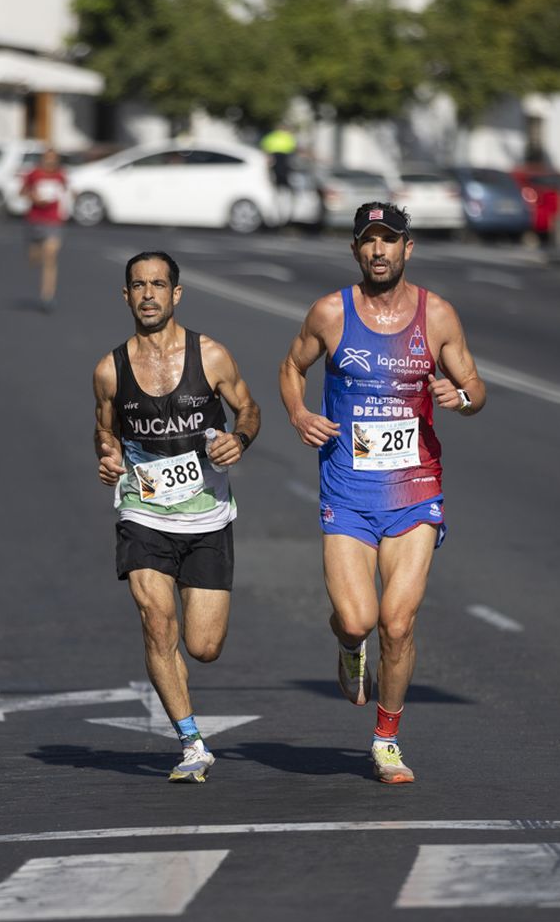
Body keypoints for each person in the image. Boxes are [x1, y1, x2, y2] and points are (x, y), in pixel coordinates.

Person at [278, 201, 486, 784]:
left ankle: (386, 740)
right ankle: (349, 648)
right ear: (355, 250)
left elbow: (475, 388)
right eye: (368, 240)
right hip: (348, 489)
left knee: (397, 623)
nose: (379, 250)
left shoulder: (436, 315)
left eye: (389, 239)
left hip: (415, 488)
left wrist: (459, 398)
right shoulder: (330, 312)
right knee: (357, 619)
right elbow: (291, 367)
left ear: (406, 248)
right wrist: (299, 414)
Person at [93, 251, 260, 783]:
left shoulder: (210, 356)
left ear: (176, 294)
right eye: (139, 286)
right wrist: (108, 457)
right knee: (155, 618)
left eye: (159, 285)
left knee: (203, 647)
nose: (149, 295)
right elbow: (105, 431)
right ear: (126, 296)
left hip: (207, 515)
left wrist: (240, 439)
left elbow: (248, 408)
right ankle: (191, 743)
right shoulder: (109, 370)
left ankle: (191, 730)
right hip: (143, 511)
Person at [21, 149, 68, 311]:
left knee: (50, 256)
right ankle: (34, 251)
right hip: (35, 220)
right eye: (47, 159)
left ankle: (47, 296)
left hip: (54, 221)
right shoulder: (34, 174)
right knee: (35, 258)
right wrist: (34, 198)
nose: (50, 162)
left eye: (53, 159)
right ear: (43, 160)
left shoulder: (60, 175)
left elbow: (66, 191)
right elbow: (22, 191)